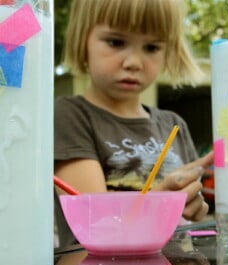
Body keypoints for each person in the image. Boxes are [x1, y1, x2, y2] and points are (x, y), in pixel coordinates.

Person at [54, 0, 214, 249]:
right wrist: (158, 203)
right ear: (82, 38)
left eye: (151, 47)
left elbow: (192, 213)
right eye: (116, 42)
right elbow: (94, 223)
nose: (134, 63)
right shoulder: (70, 116)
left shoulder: (174, 124)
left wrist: (196, 205)